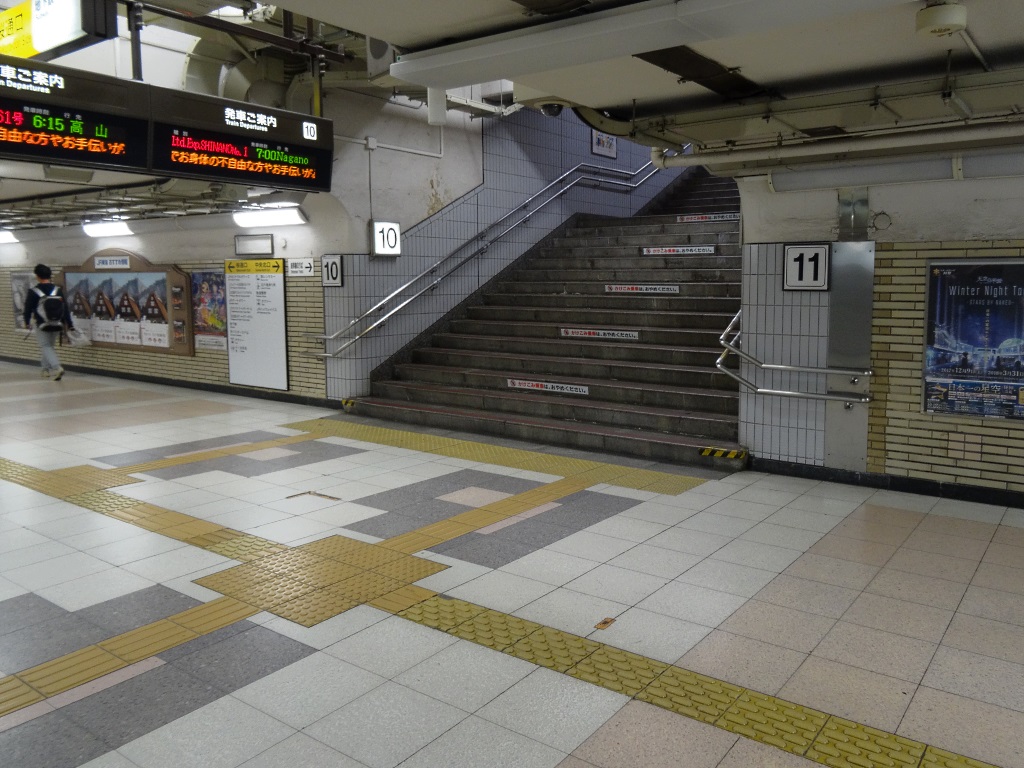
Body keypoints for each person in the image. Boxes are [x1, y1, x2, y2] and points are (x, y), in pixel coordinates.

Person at [21, 263, 74, 381]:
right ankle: (45, 370)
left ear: (37, 276)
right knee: (49, 346)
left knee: (45, 346)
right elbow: (65, 308)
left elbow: (28, 308)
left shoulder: (34, 291)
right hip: (57, 324)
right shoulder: (57, 290)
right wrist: (69, 324)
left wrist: (27, 322)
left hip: (42, 324)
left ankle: (57, 367)